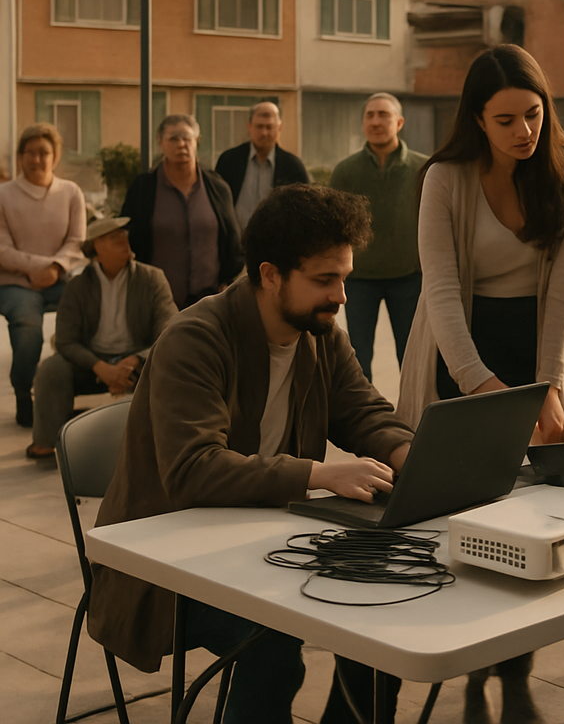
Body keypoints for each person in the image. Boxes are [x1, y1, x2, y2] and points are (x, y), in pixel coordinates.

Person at [87, 183, 415, 724]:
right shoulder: (196, 338)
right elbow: (193, 471)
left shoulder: (320, 332)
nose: (341, 296)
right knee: (274, 639)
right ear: (270, 274)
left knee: (387, 605)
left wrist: (412, 457)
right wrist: (319, 474)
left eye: (344, 278)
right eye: (324, 280)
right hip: (168, 565)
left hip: (265, 544)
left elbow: (362, 411)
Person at [396, 44, 564, 723]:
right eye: (506, 120)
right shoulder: (445, 177)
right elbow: (443, 291)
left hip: (539, 346)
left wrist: (543, 387)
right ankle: (464, 659)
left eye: (534, 116)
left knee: (533, 515)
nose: (524, 133)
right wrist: (483, 388)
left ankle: (514, 668)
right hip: (460, 354)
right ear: (477, 120)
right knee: (462, 513)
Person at [25, 216, 177, 459]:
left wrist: (135, 360)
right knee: (51, 369)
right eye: (112, 237)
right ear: (96, 247)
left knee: (171, 365)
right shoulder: (77, 286)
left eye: (123, 235)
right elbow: (65, 340)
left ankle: (167, 445)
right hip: (91, 360)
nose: (123, 240)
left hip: (137, 357)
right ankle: (45, 442)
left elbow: (169, 330)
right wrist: (100, 367)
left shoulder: (152, 278)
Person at [329, 93, 428, 383]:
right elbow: (333, 227)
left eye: (383, 114)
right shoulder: (346, 171)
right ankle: (364, 421)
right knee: (357, 358)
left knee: (412, 355)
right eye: (369, 115)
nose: (375, 121)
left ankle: (415, 421)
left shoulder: (424, 169)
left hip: (410, 277)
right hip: (359, 280)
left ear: (399, 122)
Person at [0, 123, 86, 427]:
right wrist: (36, 268)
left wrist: (55, 267)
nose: (37, 159)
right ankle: (24, 393)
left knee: (90, 310)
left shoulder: (71, 192)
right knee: (27, 328)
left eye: (44, 153)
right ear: (21, 156)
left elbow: (77, 241)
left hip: (59, 278)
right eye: (30, 153)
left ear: (56, 155)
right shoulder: (4, 195)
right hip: (15, 283)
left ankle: (82, 385)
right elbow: (1, 247)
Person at [121, 114, 244, 309]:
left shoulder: (217, 187)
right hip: (157, 303)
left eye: (187, 138)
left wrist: (227, 280)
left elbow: (233, 240)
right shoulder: (143, 189)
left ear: (196, 142)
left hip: (209, 302)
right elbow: (127, 239)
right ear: (160, 143)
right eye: (173, 138)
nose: (181, 144)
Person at [215, 100, 310, 230]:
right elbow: (217, 204)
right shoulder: (229, 161)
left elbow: (303, 210)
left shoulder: (293, 166)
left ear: (279, 128)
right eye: (259, 126)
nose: (264, 133)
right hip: (235, 244)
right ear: (249, 127)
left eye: (269, 127)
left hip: (277, 245)